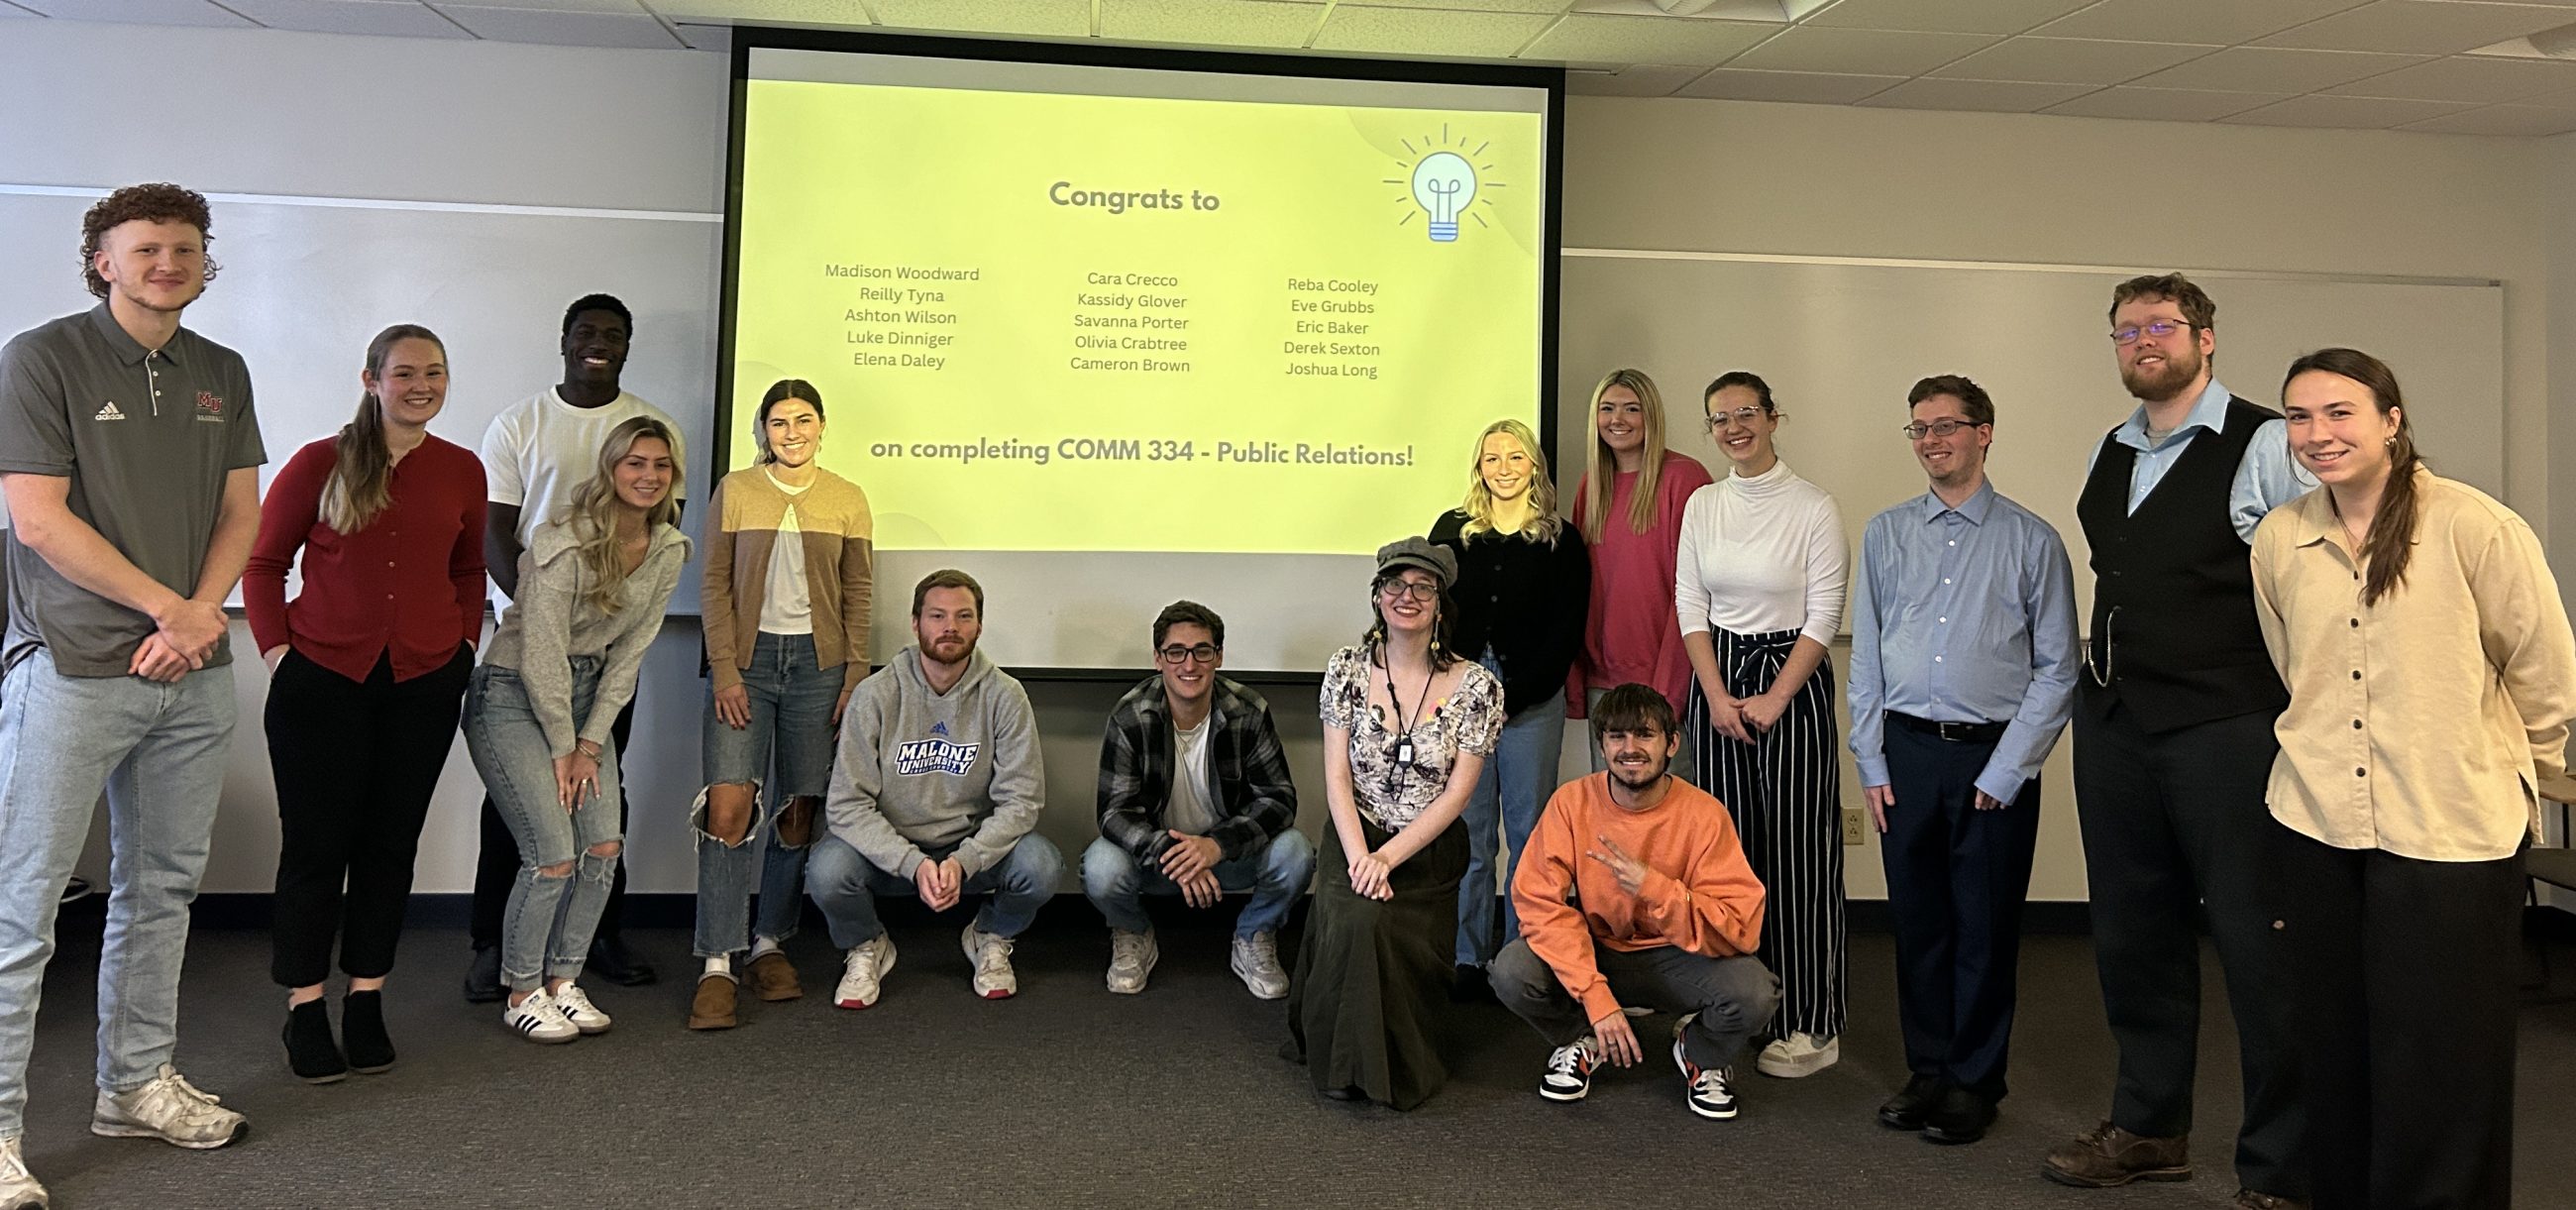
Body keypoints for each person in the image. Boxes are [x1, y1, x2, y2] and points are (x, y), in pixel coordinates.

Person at [2253, 349, 2576, 1210]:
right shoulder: (2281, 536)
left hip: (2451, 827)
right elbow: (2295, 667)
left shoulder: (2475, 526)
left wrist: (2515, 767)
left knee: (2446, 1054)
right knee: (2335, 1044)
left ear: (2391, 420)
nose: (2317, 433)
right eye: (2299, 416)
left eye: (2340, 412)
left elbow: (2545, 674)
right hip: (2318, 820)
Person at [0, 182, 261, 1204]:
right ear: (102, 261)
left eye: (185, 248)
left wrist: (196, 620)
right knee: (22, 908)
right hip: (75, 668)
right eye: (145, 248)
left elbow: (240, 512)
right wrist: (171, 609)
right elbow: (38, 519)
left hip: (191, 676)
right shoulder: (42, 358)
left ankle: (135, 1085)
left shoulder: (221, 370)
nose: (168, 263)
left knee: (161, 894)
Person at [2047, 275, 2313, 1210]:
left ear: (2206, 337)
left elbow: (2320, 581)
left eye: (2162, 325)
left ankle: (2286, 1164)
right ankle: (2150, 1128)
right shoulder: (2110, 447)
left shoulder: (2266, 443)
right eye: (2127, 330)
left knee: (2258, 942)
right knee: (2133, 935)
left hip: (2228, 725)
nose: (2143, 341)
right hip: (2118, 723)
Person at [246, 324, 485, 1080]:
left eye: (435, 372)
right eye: (405, 372)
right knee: (316, 848)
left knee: (390, 844)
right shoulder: (320, 461)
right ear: (371, 379)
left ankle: (366, 996)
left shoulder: (461, 469)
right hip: (320, 681)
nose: (422, 385)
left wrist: (463, 647)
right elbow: (263, 563)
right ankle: (304, 1006)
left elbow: (468, 569)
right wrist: (279, 656)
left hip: (423, 682)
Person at [1846, 375, 2079, 1145]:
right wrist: (1871, 760)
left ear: (1984, 432)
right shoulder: (1885, 534)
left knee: (1983, 926)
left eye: (1946, 425)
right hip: (1907, 752)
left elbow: (2058, 669)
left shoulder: (2033, 541)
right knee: (1918, 923)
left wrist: (2010, 768)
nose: (1931, 440)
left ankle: (1975, 1081)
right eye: (1919, 428)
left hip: (1991, 758)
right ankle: (1929, 1069)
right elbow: (1868, 655)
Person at [463, 293, 686, 1001]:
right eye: (586, 332)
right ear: (563, 340)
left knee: (600, 791)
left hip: (603, 654)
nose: (599, 343)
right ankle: (493, 944)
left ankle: (596, 938)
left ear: (627, 347)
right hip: (530, 638)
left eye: (613, 335)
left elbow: (653, 542)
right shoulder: (520, 423)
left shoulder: (651, 426)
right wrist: (540, 613)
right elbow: (496, 530)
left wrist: (585, 633)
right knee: (516, 804)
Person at [1487, 683, 1777, 1121]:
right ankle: (1582, 1038)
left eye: (1645, 735)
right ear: (1602, 745)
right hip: (1598, 951)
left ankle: (1699, 1053)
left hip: (1676, 956)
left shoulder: (1704, 813)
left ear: (1671, 744)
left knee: (1755, 993)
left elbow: (1741, 924)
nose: (1630, 749)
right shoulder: (1571, 803)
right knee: (1512, 971)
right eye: (1617, 736)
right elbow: (1538, 902)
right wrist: (1595, 996)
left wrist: (1655, 888)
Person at [1284, 538, 1504, 1110]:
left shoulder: (1477, 687)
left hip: (1427, 846)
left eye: (1423, 587)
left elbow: (1457, 795)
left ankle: (1400, 1065)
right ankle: (1345, 1065)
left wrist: (1389, 858)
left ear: (1440, 605)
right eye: (1395, 585)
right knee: (1360, 921)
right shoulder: (1346, 670)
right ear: (1378, 596)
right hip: (1354, 834)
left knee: (1387, 930)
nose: (1407, 597)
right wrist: (1363, 857)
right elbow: (1336, 777)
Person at [1672, 370, 1849, 1079]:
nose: (1734, 427)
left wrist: (1775, 697)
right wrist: (1715, 696)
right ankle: (1739, 1005)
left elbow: (1825, 612)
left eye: (1746, 413)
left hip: (1792, 681)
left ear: (1774, 418)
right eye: (1720, 418)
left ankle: (1811, 1018)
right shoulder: (1704, 505)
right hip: (1716, 678)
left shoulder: (1813, 506)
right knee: (1726, 858)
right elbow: (1690, 605)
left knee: (1800, 856)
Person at [687, 379, 875, 1031]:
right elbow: (713, 581)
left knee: (799, 810)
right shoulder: (737, 489)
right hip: (748, 662)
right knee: (728, 808)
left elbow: (858, 590)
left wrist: (854, 673)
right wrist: (725, 668)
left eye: (803, 420)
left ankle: (769, 943)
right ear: (763, 429)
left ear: (821, 426)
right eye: (778, 422)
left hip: (820, 667)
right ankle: (717, 960)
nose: (791, 432)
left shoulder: (847, 497)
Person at [806, 570, 1060, 1006]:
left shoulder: (1005, 695)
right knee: (827, 871)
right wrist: (911, 863)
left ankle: (990, 935)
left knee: (1041, 866)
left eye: (964, 616)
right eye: (937, 615)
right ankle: (866, 944)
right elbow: (847, 805)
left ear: (979, 626)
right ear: (915, 623)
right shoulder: (875, 694)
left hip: (970, 850)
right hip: (890, 853)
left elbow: (1022, 800)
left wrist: (964, 861)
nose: (950, 627)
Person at [1083, 601, 1313, 999]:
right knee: (1100, 867)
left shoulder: (1248, 711)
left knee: (1296, 853)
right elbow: (1114, 813)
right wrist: (1178, 854)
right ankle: (1134, 932)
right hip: (1157, 860)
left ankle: (1253, 934)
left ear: (1218, 656)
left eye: (1202, 651)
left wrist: (1216, 846)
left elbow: (1279, 801)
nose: (1189, 664)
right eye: (1176, 652)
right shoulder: (1131, 715)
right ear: (1158, 659)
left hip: (1227, 858)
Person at [1429, 418, 1588, 985]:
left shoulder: (1562, 540)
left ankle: (1520, 960)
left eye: (1516, 457)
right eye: (1492, 458)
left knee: (1529, 834)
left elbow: (1567, 629)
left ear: (1534, 467)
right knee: (1469, 835)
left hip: (1532, 700)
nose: (1503, 468)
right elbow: (1432, 612)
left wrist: (1514, 696)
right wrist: (1458, 691)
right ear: (1479, 467)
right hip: (1461, 700)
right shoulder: (1452, 531)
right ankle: (1467, 956)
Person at [1568, 369, 1712, 776]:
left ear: (1651, 416)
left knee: (1669, 802)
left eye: (1631, 409)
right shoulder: (1591, 485)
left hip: (1666, 681)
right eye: (1607, 408)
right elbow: (1578, 591)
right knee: (1614, 800)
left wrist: (1669, 688)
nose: (1618, 419)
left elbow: (1694, 591)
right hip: (1604, 680)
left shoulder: (1685, 478)